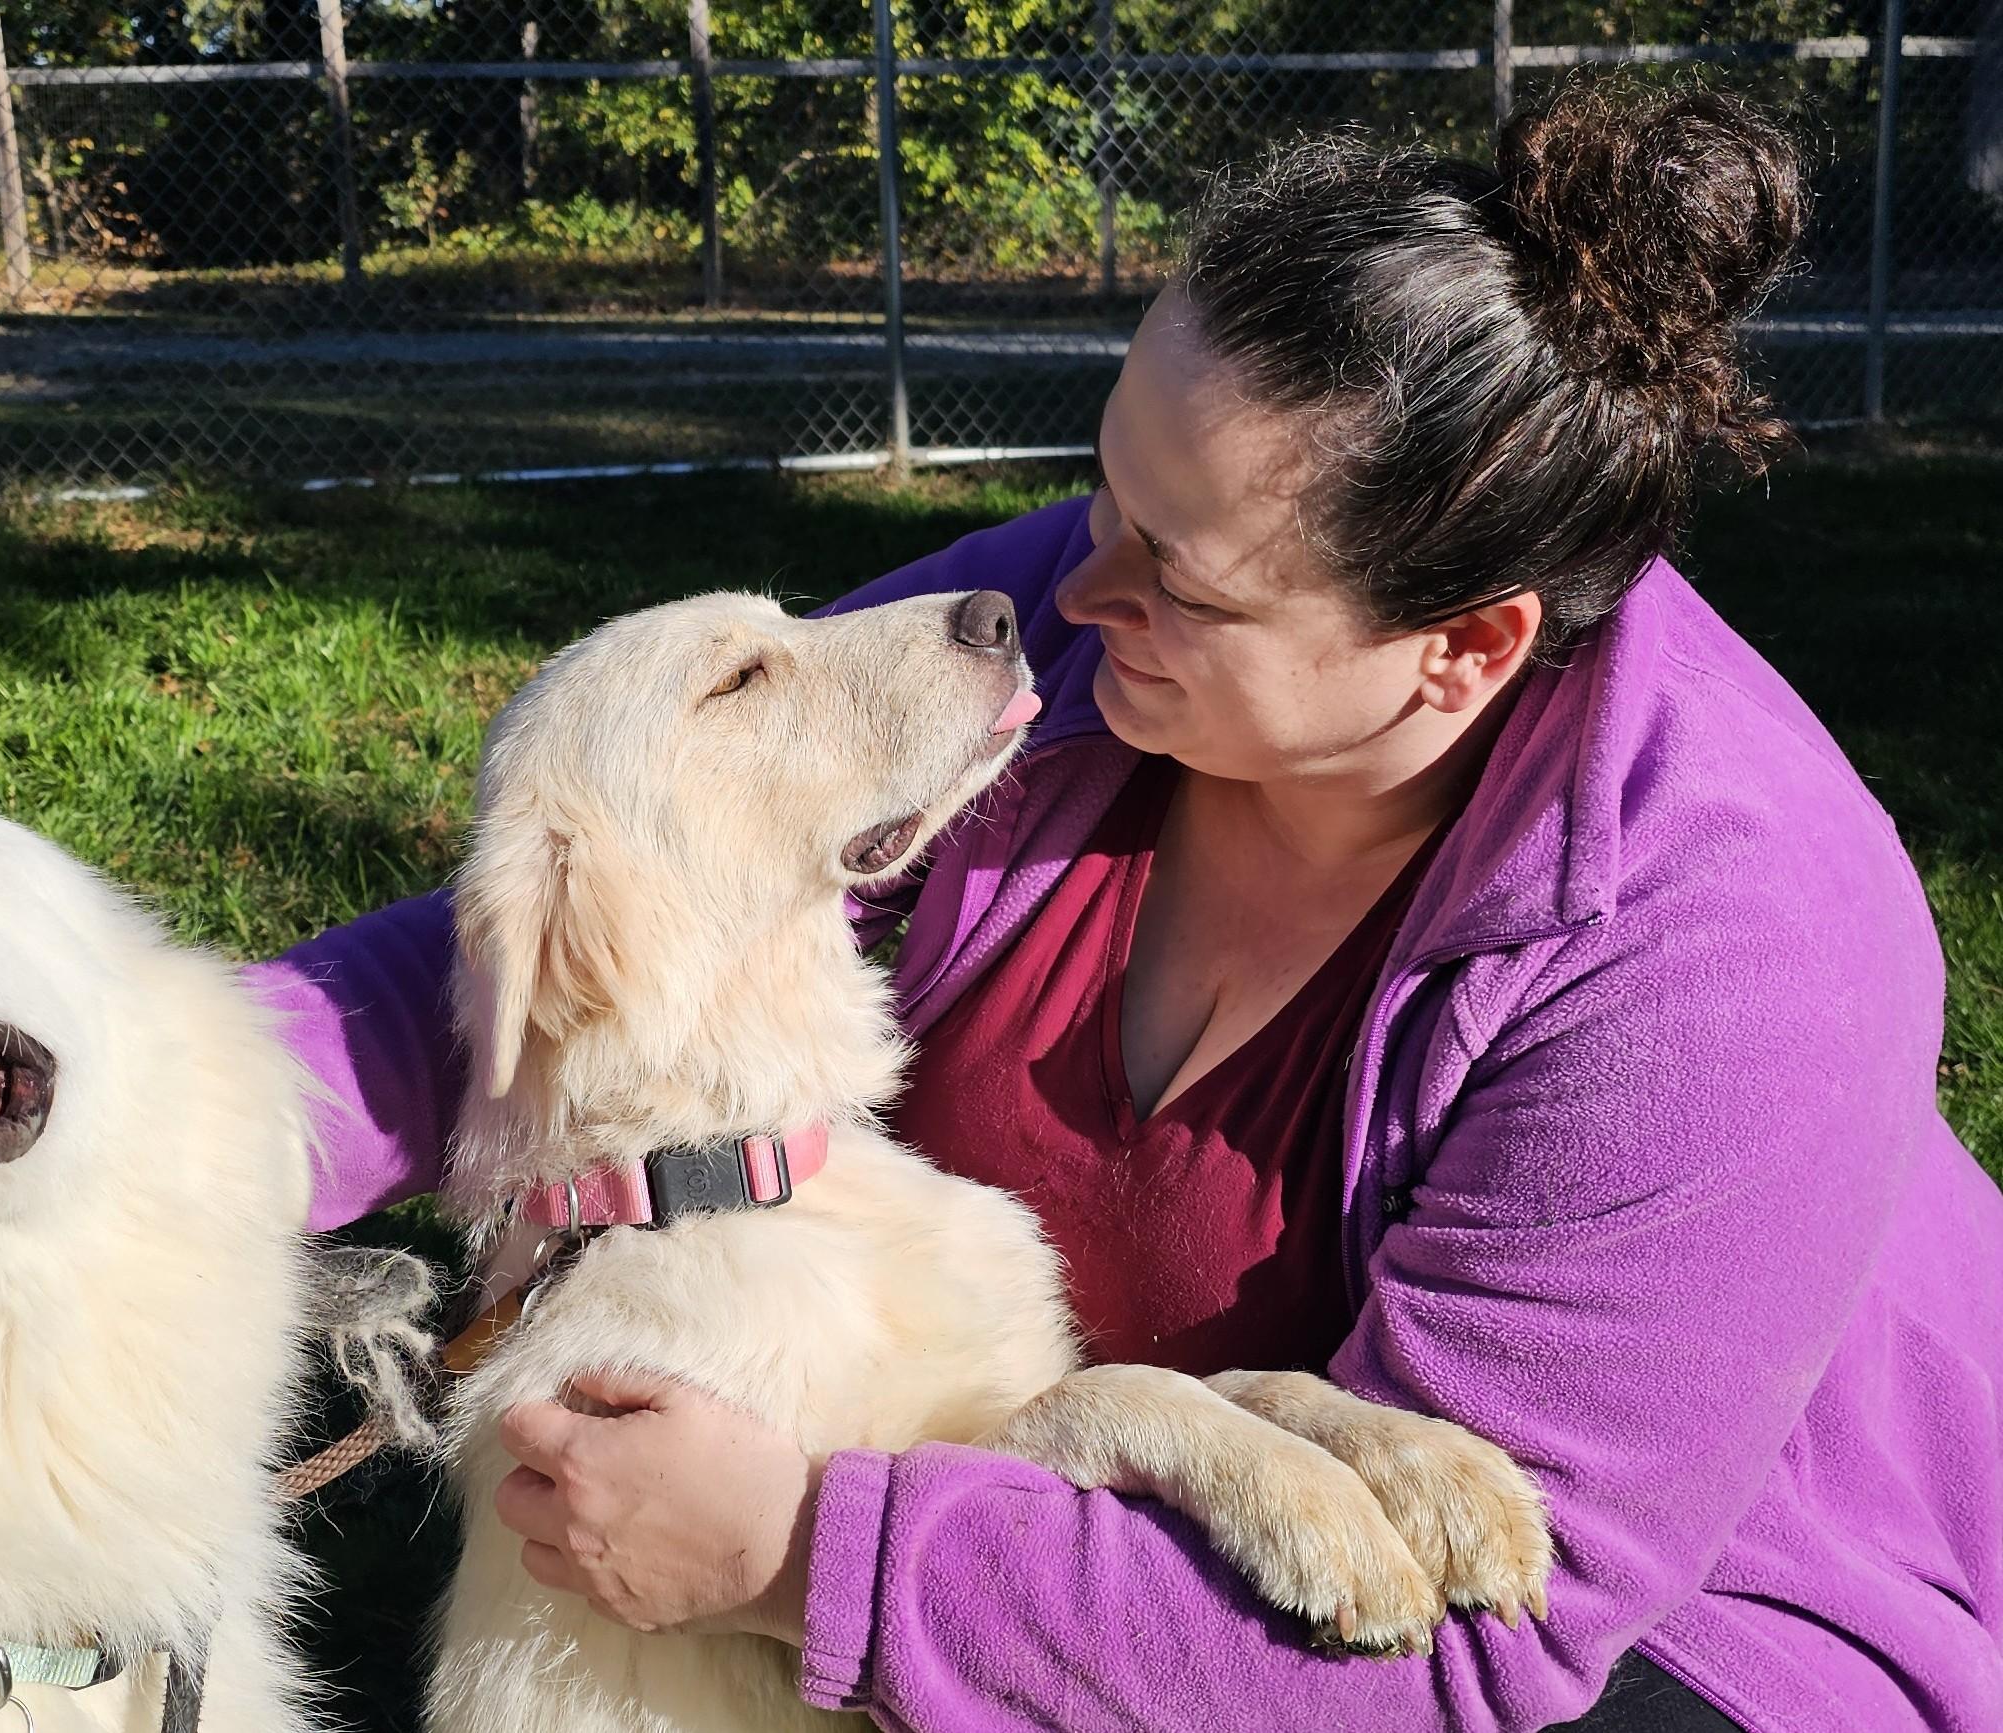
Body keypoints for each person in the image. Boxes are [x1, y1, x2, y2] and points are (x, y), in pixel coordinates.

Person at [248, 85, 2003, 1733]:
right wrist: (170, 1120)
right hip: (1106, 1512)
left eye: (1180, 567)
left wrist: (800, 1556)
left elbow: (1459, 1664)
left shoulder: (1735, 938)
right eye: (1106, 488)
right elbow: (605, 894)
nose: (1071, 587)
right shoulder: (1098, 626)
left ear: (1465, 649)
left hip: (1665, 1650)